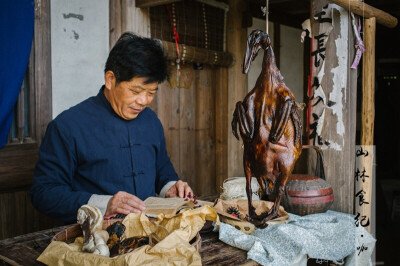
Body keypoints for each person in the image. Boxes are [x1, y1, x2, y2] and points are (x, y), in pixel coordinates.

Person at [30, 32, 193, 223]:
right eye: (135, 91)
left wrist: (171, 187)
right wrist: (105, 204)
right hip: (94, 241)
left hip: (148, 235)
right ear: (110, 79)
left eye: (151, 93)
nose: (143, 101)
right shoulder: (67, 126)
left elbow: (163, 171)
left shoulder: (150, 121)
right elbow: (44, 194)